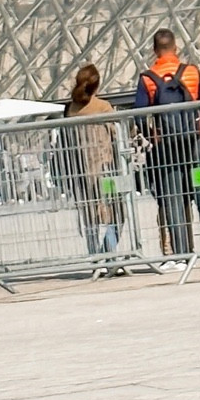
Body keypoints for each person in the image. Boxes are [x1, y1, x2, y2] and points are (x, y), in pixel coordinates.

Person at [133, 28, 200, 263]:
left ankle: (181, 256)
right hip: (195, 144)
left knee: (173, 200)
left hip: (167, 148)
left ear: (153, 50)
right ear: (176, 48)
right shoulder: (191, 72)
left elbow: (139, 115)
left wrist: (153, 135)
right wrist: (199, 128)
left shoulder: (148, 78)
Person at [60, 63, 123, 257]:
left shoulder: (70, 109)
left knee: (89, 214)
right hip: (105, 168)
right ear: (96, 85)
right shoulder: (102, 107)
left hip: (79, 169)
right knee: (117, 211)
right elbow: (116, 133)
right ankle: (108, 252)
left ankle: (95, 254)